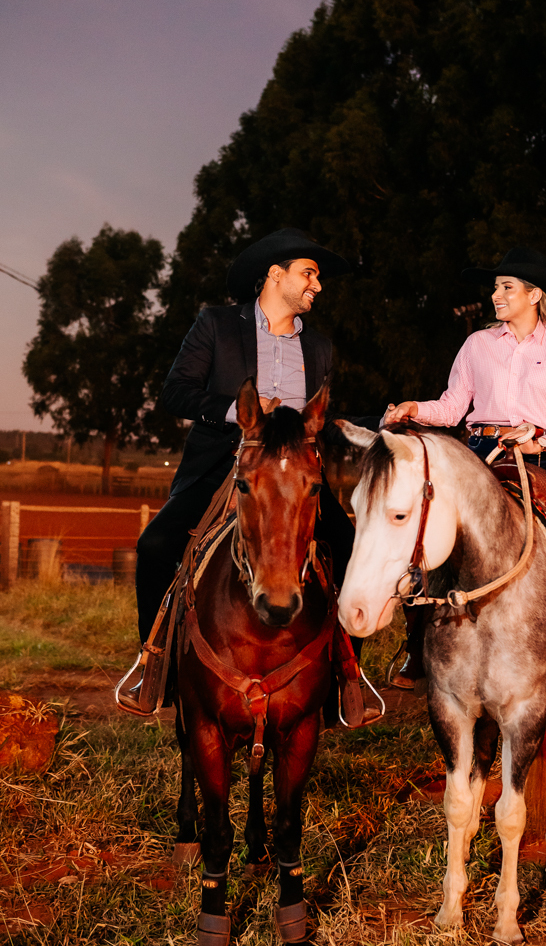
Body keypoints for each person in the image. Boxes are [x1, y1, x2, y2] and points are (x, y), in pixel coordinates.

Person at [384, 246, 546, 703]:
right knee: (427, 535)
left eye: (506, 287)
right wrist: (414, 409)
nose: (496, 295)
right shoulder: (478, 345)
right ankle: (417, 646)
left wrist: (540, 443)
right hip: (479, 452)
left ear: (534, 294)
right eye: (495, 287)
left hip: (541, 455)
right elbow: (452, 406)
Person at [132, 227, 370, 722]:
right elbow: (175, 392)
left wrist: (380, 422)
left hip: (294, 478)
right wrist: (236, 410)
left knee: (351, 550)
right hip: (226, 466)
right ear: (275, 274)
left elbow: (323, 419)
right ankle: (157, 668)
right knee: (154, 546)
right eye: (309, 273)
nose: (317, 285)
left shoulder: (319, 347)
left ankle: (344, 680)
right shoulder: (217, 325)